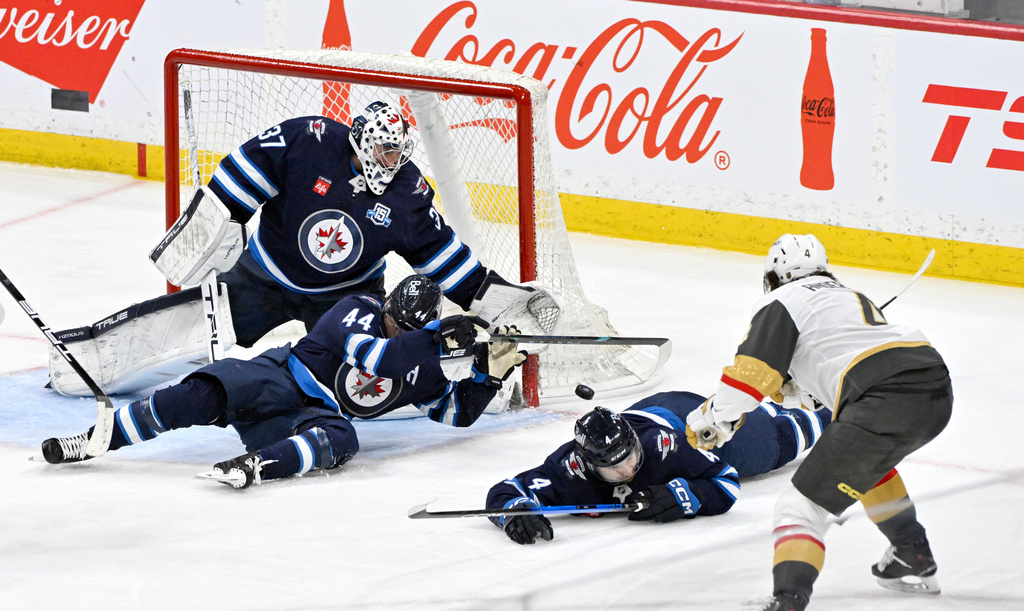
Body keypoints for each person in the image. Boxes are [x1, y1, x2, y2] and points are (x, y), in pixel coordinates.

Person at [49, 100, 556, 397]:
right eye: (383, 149)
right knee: (183, 326)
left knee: (358, 388)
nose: (391, 159)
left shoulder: (408, 193)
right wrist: (219, 218)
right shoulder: (308, 140)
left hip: (346, 299)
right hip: (263, 277)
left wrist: (491, 297)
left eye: (399, 152)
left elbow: (442, 256)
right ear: (359, 140)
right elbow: (240, 172)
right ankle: (84, 361)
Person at [684, 234, 953, 611]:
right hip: (934, 387)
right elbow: (825, 373)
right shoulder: (846, 296)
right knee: (869, 465)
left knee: (798, 506)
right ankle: (912, 555)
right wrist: (791, 386)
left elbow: (748, 380)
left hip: (883, 397)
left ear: (773, 276)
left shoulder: (783, 300)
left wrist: (712, 419)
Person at [41, 275, 529, 489]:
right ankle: (95, 440)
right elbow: (375, 358)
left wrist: (488, 374)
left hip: (313, 415)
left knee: (342, 439)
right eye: (395, 320)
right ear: (388, 308)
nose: (395, 328)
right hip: (280, 375)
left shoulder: (423, 360)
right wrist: (437, 341)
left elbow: (455, 412)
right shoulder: (356, 311)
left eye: (408, 327)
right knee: (201, 392)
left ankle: (254, 466)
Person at [486, 390, 831, 544]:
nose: (627, 471)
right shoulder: (569, 469)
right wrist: (515, 513)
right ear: (590, 465)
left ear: (634, 442)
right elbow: (507, 491)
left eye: (631, 458)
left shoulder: (665, 448)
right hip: (649, 413)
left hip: (681, 420)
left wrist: (684, 495)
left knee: (772, 444)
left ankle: (835, 406)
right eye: (613, 469)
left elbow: (725, 482)